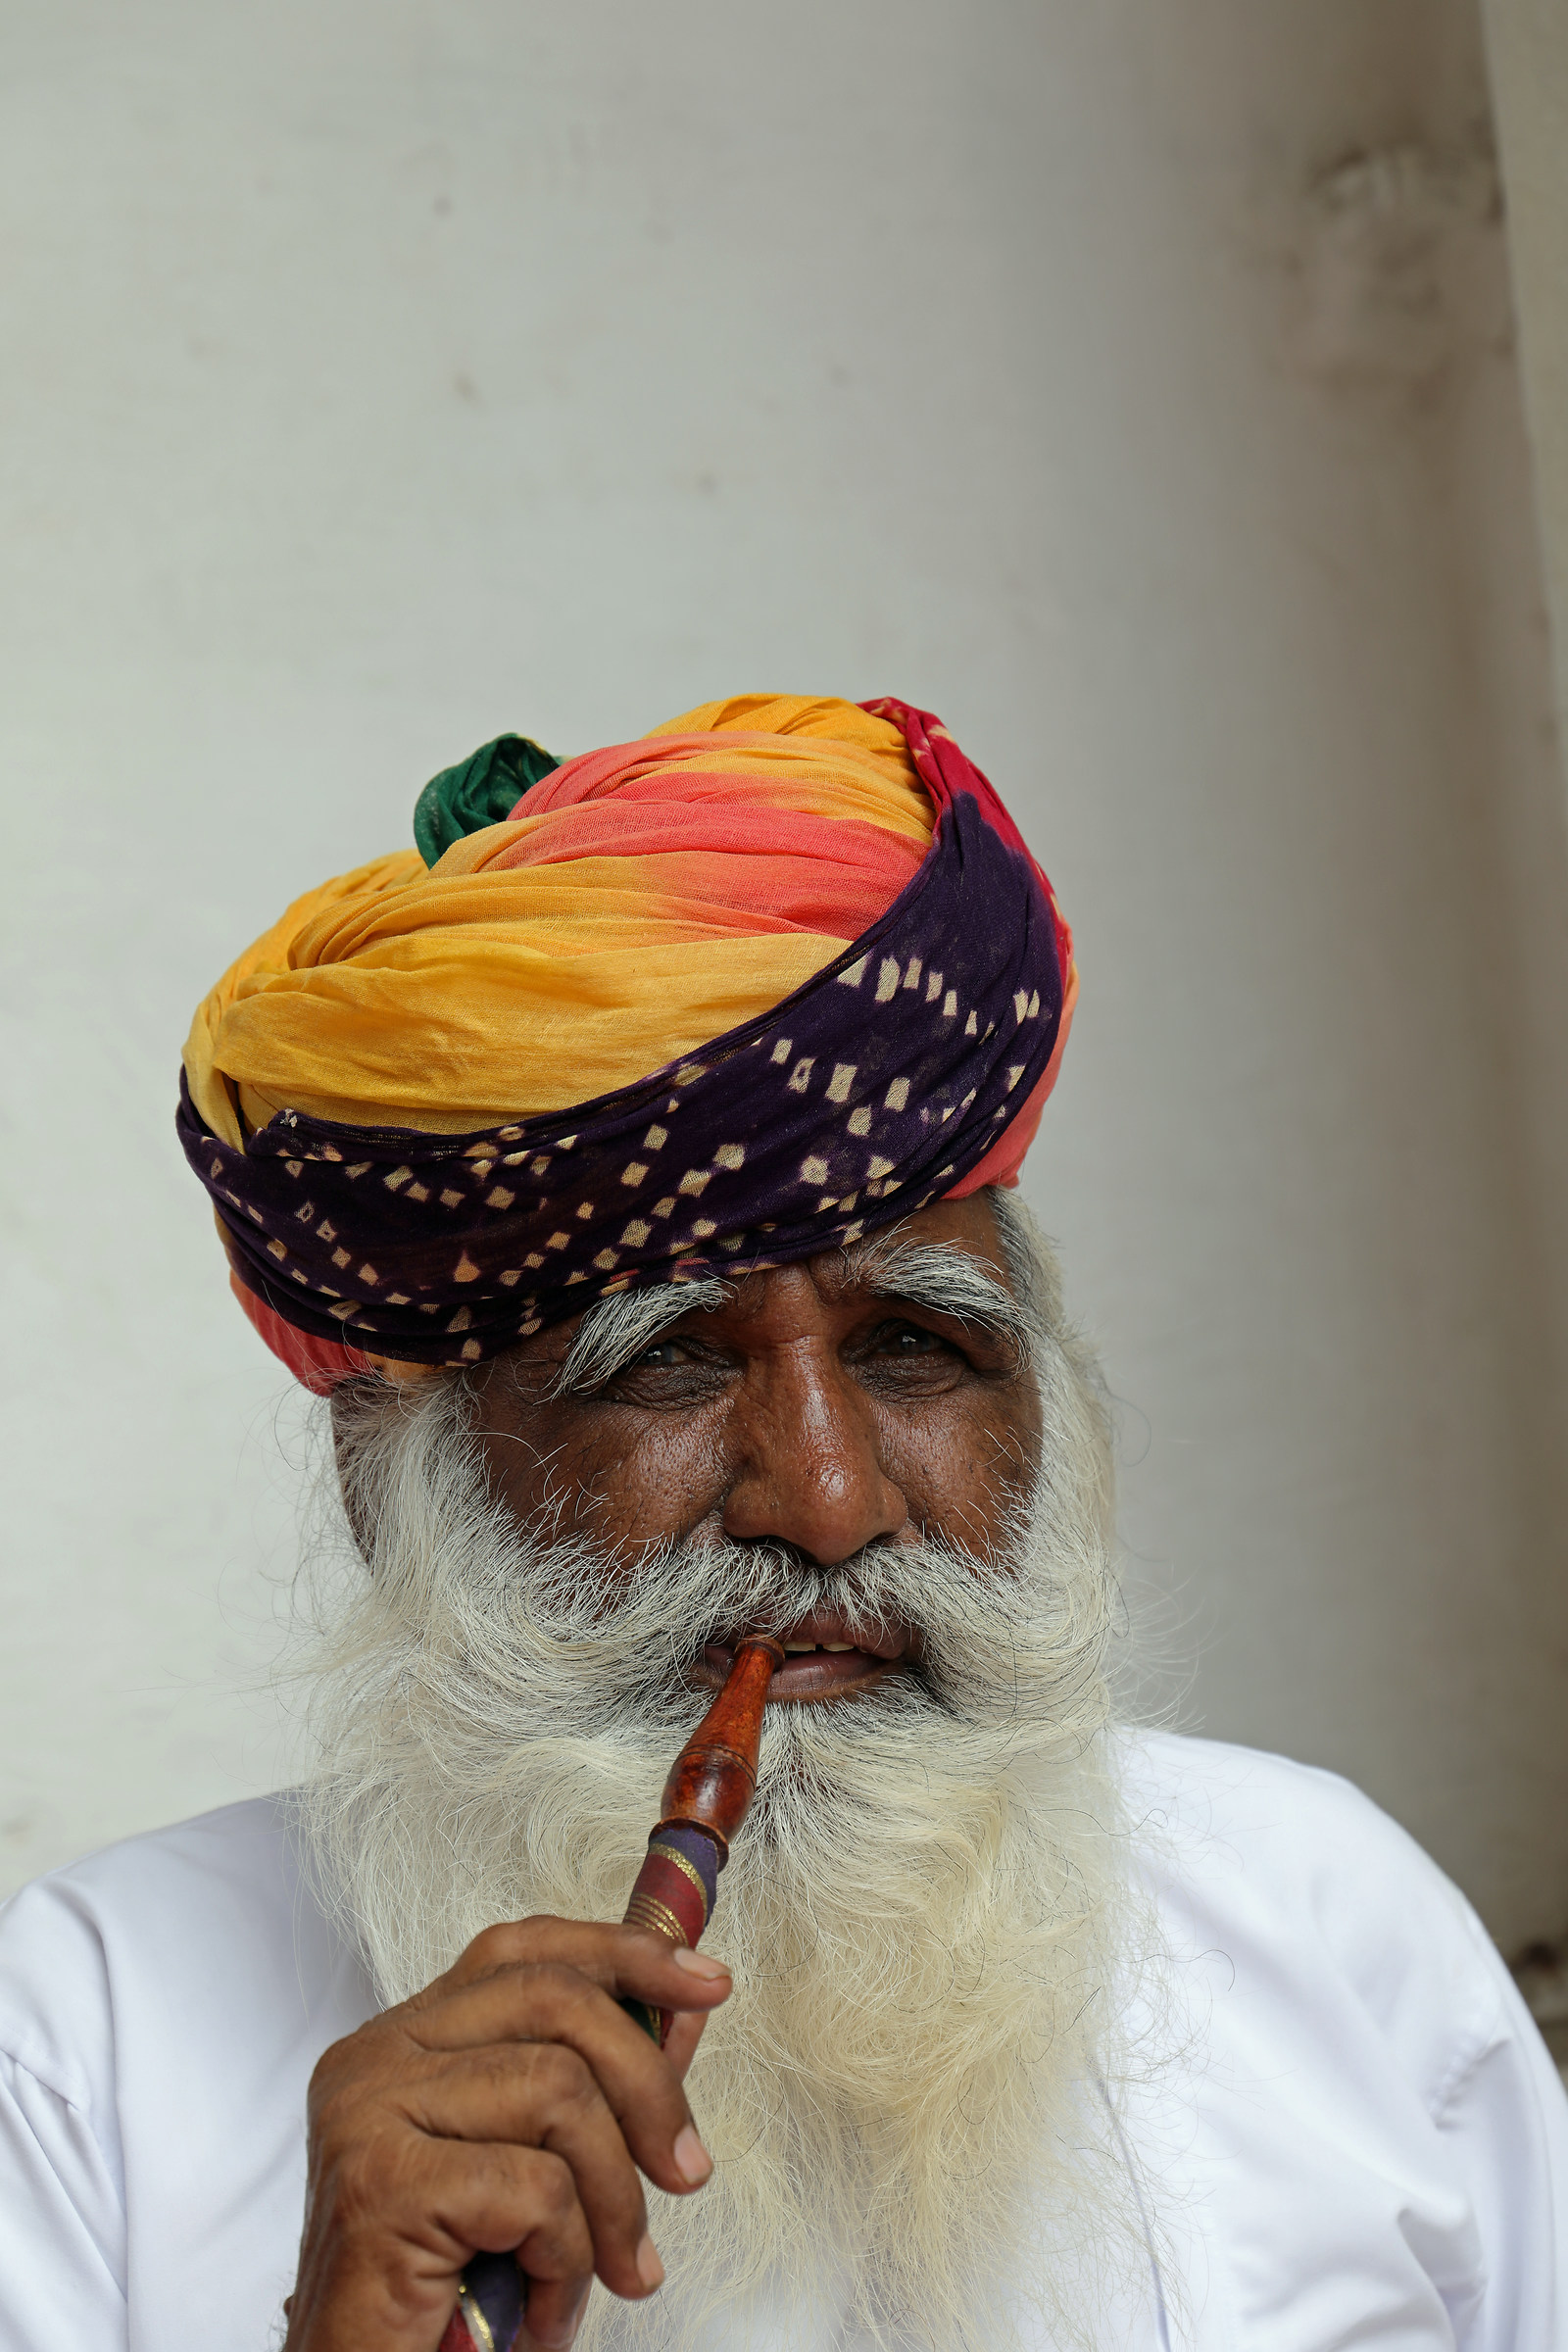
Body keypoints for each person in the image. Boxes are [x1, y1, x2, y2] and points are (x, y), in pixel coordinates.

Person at [1, 694, 1564, 2352]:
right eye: (663, 1367)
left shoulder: (1326, 1924)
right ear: (395, 1483)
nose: (828, 1502)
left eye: (916, 1347)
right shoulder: (93, 2042)